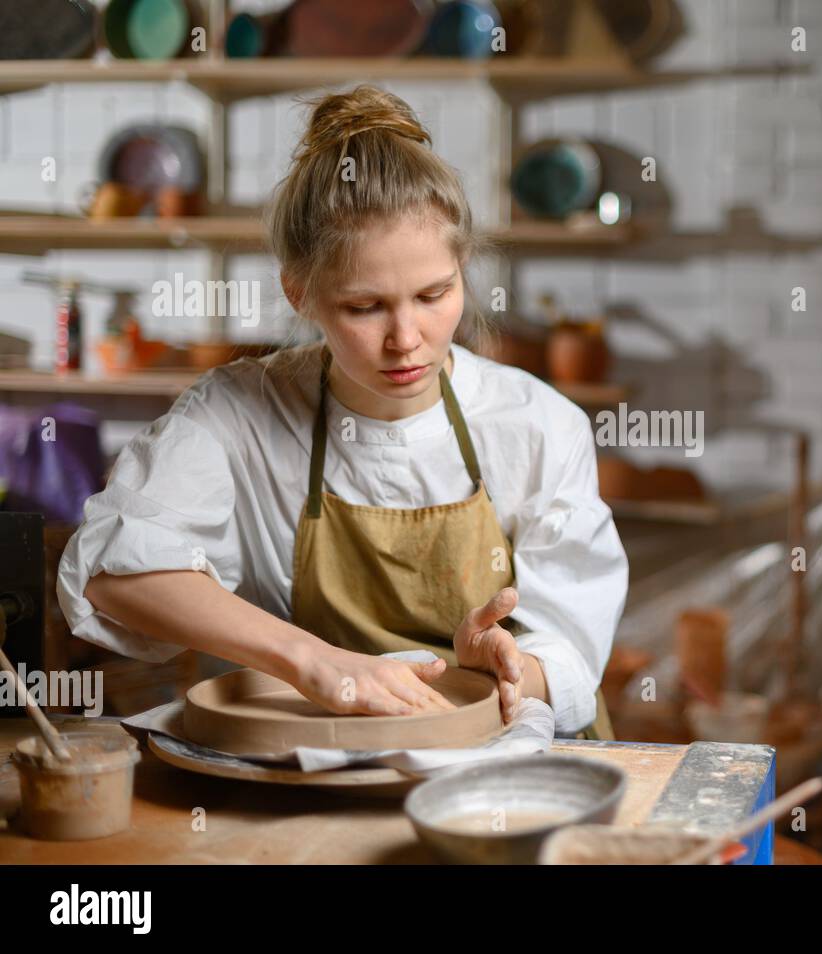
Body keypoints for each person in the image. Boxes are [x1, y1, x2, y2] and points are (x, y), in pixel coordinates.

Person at [57, 85, 627, 738]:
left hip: (506, 762)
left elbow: (576, 653)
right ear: (300, 293)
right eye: (364, 307)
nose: (406, 338)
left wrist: (509, 668)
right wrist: (313, 661)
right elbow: (114, 569)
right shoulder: (238, 413)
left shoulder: (536, 425)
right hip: (327, 760)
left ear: (463, 266)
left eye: (434, 294)